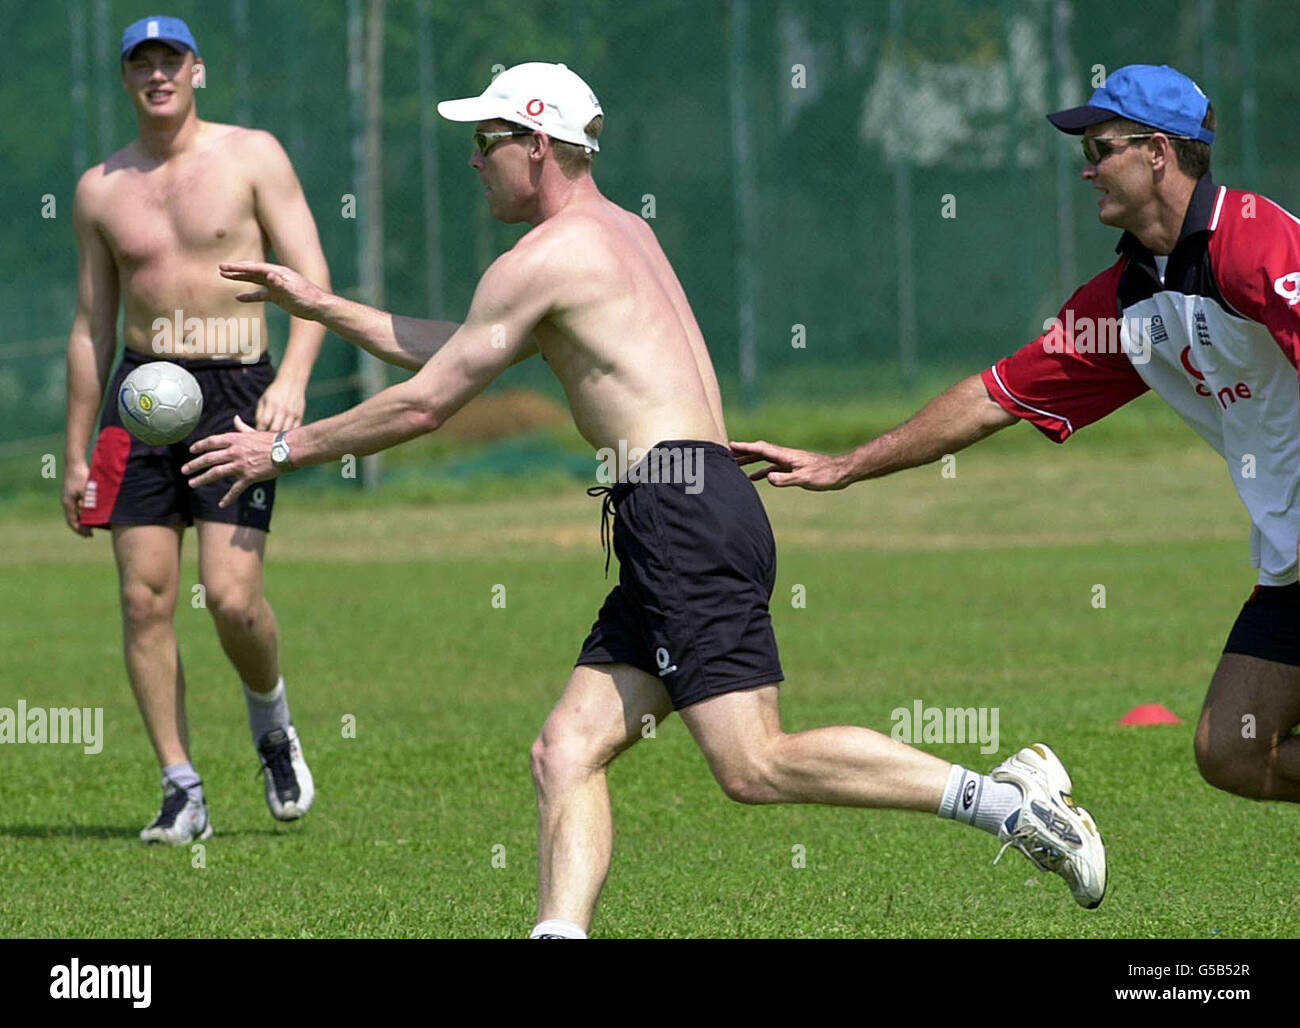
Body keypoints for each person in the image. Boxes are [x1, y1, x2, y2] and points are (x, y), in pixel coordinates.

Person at [184, 62, 1105, 936]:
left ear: (536, 142)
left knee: (754, 764)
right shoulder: (623, 231)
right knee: (566, 750)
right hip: (689, 505)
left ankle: (1005, 802)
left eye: (488, 139)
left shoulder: (544, 256)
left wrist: (281, 447)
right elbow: (466, 343)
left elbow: (430, 401)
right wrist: (322, 305)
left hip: (678, 515)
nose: (475, 158)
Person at [734, 64, 1300, 808]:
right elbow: (991, 398)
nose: (1087, 169)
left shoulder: (1256, 244)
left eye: (1100, 149)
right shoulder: (1130, 298)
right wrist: (847, 465)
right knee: (1231, 751)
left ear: (1158, 152)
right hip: (1288, 559)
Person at [64, 16, 329, 843]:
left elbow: (310, 281)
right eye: (140, 62)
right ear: (126, 79)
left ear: (196, 70)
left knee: (230, 595)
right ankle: (181, 787)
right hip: (139, 397)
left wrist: (291, 379)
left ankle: (271, 721)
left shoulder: (254, 155)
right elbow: (89, 328)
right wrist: (75, 454)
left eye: (169, 59)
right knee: (144, 599)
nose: (157, 74)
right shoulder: (101, 188)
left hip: (238, 388)